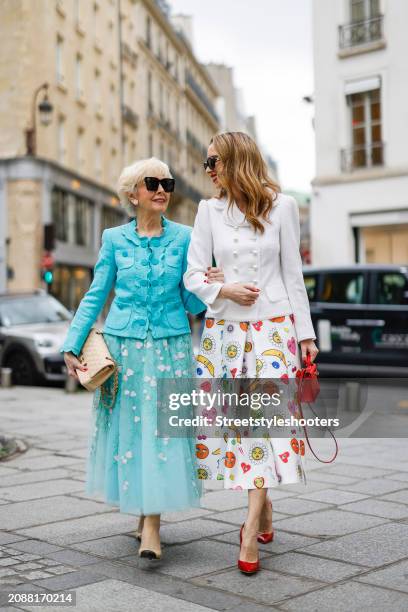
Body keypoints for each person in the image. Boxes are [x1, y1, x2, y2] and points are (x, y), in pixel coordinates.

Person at [61, 157, 223, 561]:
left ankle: (152, 526)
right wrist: (72, 343)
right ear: (133, 193)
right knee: (132, 433)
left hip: (170, 348)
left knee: (159, 432)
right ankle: (142, 513)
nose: (162, 189)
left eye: (166, 183)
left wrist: (208, 283)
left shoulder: (185, 238)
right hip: (123, 349)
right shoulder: (113, 239)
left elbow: (189, 301)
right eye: (152, 183)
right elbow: (97, 295)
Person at [184, 132, 319, 574]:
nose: (208, 171)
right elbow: (192, 275)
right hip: (224, 334)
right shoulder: (208, 211)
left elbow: (292, 273)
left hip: (274, 331)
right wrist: (223, 287)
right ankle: (263, 505)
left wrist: (305, 335)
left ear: (237, 160)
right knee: (240, 428)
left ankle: (247, 529)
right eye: (206, 164)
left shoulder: (283, 207)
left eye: (213, 161)